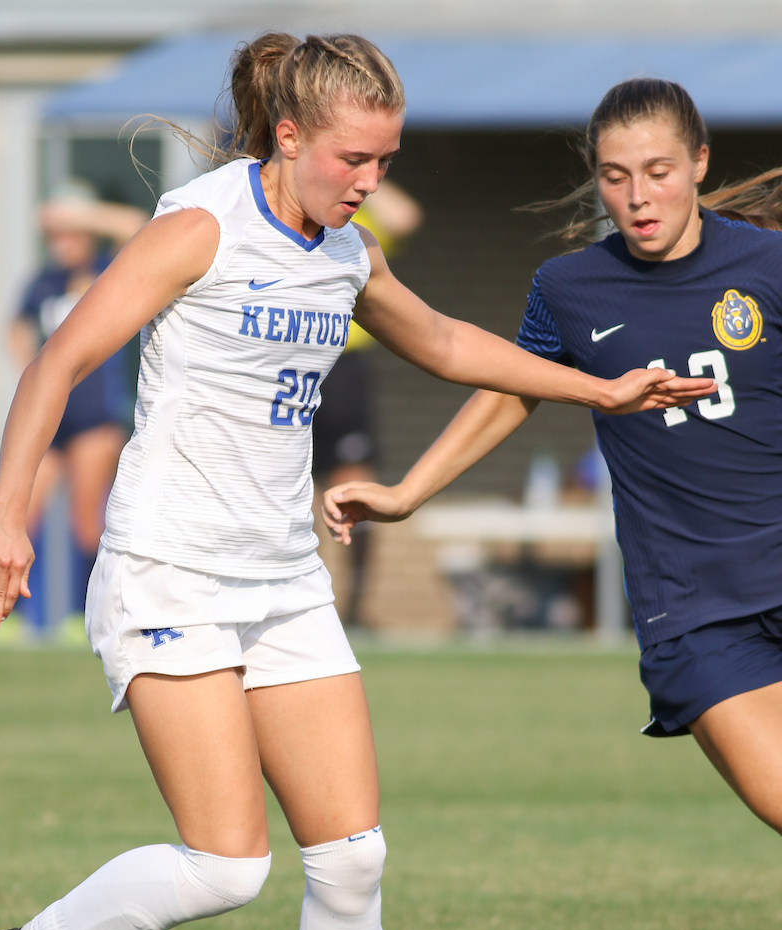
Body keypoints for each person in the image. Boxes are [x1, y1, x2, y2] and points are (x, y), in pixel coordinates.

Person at [0, 41, 710, 930]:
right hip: (170, 567)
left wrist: (599, 389)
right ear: (291, 137)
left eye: (386, 158)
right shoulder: (200, 229)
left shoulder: (345, 251)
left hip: (282, 577)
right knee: (225, 865)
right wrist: (10, 511)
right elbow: (61, 359)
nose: (368, 179)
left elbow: (451, 344)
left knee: (353, 854)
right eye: (354, 157)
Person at [324, 79, 782, 884]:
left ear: (701, 163)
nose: (637, 197)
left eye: (659, 171)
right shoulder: (569, 288)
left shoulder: (768, 265)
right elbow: (512, 388)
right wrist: (407, 493)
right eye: (615, 176)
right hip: (697, 613)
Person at [10, 183, 149, 614]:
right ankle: (7, 618)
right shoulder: (44, 282)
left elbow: (137, 228)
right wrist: (31, 372)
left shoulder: (108, 270)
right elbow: (16, 328)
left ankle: (82, 616)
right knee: (20, 517)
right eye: (56, 235)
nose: (62, 243)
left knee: (87, 526)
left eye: (71, 233)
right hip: (50, 422)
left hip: (93, 419)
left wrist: (78, 213)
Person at [314, 179, 423, 626]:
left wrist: (358, 175)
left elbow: (406, 216)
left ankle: (355, 603)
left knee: (351, 489)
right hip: (287, 361)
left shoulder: (356, 224)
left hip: (344, 370)